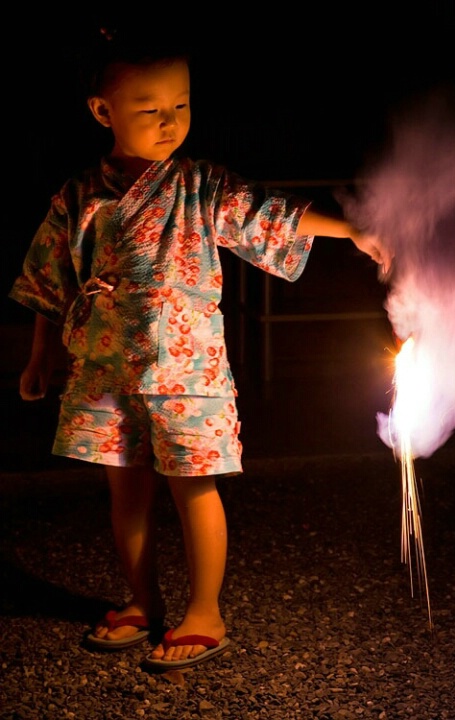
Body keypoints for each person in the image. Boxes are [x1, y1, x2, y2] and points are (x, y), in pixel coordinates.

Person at [9, 28, 392, 671]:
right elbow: (50, 279)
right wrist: (40, 353)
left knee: (193, 488)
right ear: (102, 111)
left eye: (181, 105)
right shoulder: (77, 197)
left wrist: (348, 229)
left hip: (186, 369)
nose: (169, 122)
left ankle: (204, 610)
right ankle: (142, 601)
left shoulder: (198, 185)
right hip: (105, 368)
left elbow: (264, 212)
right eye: (149, 108)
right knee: (124, 493)